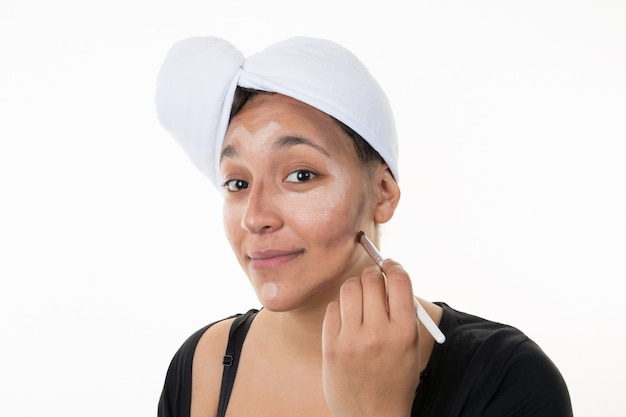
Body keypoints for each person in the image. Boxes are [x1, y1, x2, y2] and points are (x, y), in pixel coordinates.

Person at [155, 36, 573, 417]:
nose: (255, 216)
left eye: (301, 175)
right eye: (238, 183)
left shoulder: (508, 377)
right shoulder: (201, 368)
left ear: (383, 193)